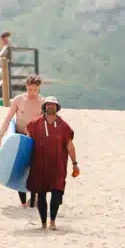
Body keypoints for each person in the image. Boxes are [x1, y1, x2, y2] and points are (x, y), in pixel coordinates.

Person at [25, 96, 79, 231]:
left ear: (57, 108)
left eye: (53, 105)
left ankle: (53, 221)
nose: (51, 106)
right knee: (41, 195)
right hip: (40, 166)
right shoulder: (35, 124)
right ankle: (43, 222)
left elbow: (70, 145)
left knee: (56, 194)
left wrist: (75, 163)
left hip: (57, 167)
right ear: (44, 107)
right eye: (48, 104)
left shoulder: (64, 126)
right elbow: (26, 143)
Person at [0, 74, 45, 208]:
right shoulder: (18, 100)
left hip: (34, 139)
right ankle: (23, 203)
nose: (32, 92)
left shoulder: (43, 103)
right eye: (29, 89)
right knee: (19, 167)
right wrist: (0, 138)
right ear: (26, 87)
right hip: (19, 138)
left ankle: (34, 199)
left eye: (35, 89)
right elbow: (8, 118)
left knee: (34, 170)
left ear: (38, 88)